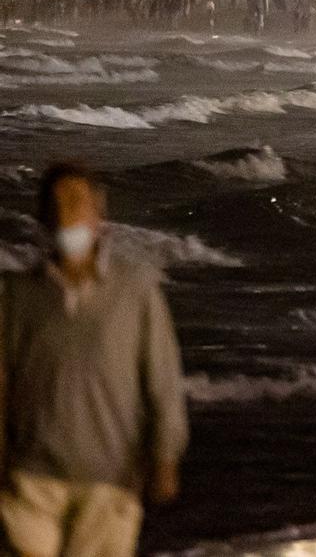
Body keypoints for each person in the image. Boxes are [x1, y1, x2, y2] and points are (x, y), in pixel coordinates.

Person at [0, 164, 185, 556]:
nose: (67, 214)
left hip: (110, 477)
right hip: (31, 478)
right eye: (57, 205)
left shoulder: (135, 291)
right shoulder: (18, 295)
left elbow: (162, 380)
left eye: (76, 203)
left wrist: (164, 455)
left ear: (99, 215)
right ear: (42, 218)